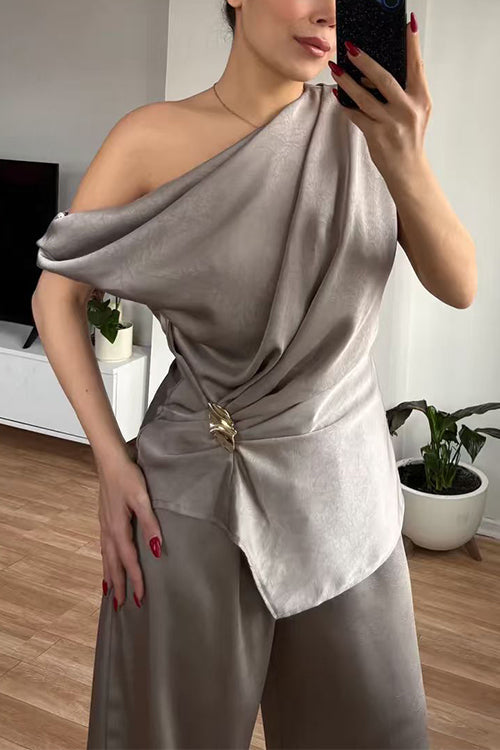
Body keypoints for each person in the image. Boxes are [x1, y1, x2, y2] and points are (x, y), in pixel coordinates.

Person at [32, 1, 446, 747]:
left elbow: (460, 283)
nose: (327, 11)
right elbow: (54, 297)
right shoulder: (150, 137)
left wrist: (407, 155)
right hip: (188, 503)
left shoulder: (368, 131)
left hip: (342, 496)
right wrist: (110, 462)